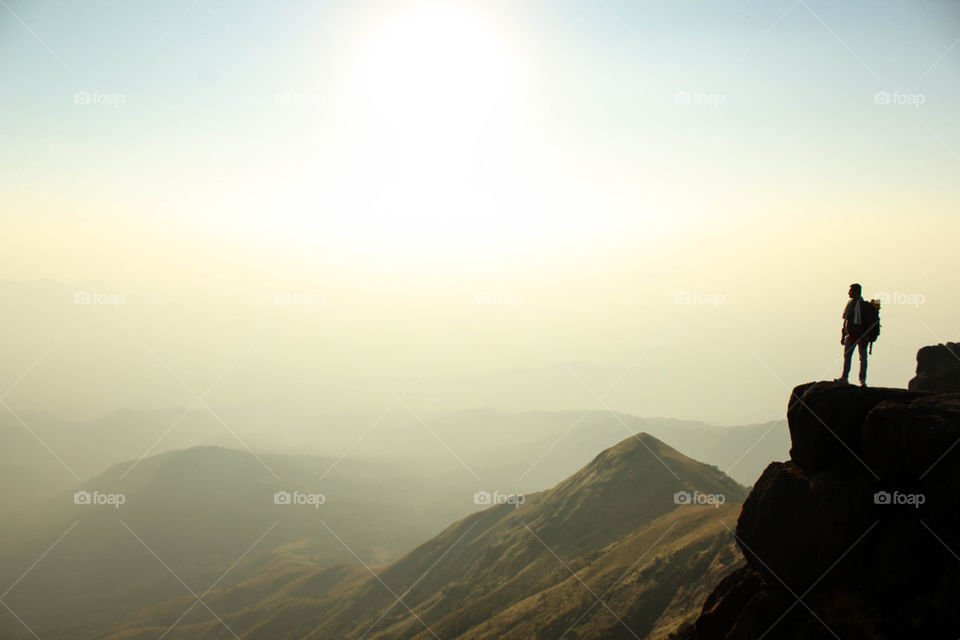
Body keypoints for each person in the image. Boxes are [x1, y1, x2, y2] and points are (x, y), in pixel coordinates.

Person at [836, 283, 871, 387]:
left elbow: (846, 320)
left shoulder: (863, 305)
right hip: (854, 335)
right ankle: (855, 379)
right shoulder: (851, 304)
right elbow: (846, 321)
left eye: (850, 291)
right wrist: (843, 335)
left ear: (856, 292)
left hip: (860, 336)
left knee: (857, 357)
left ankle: (856, 379)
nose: (849, 293)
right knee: (857, 358)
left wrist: (843, 335)